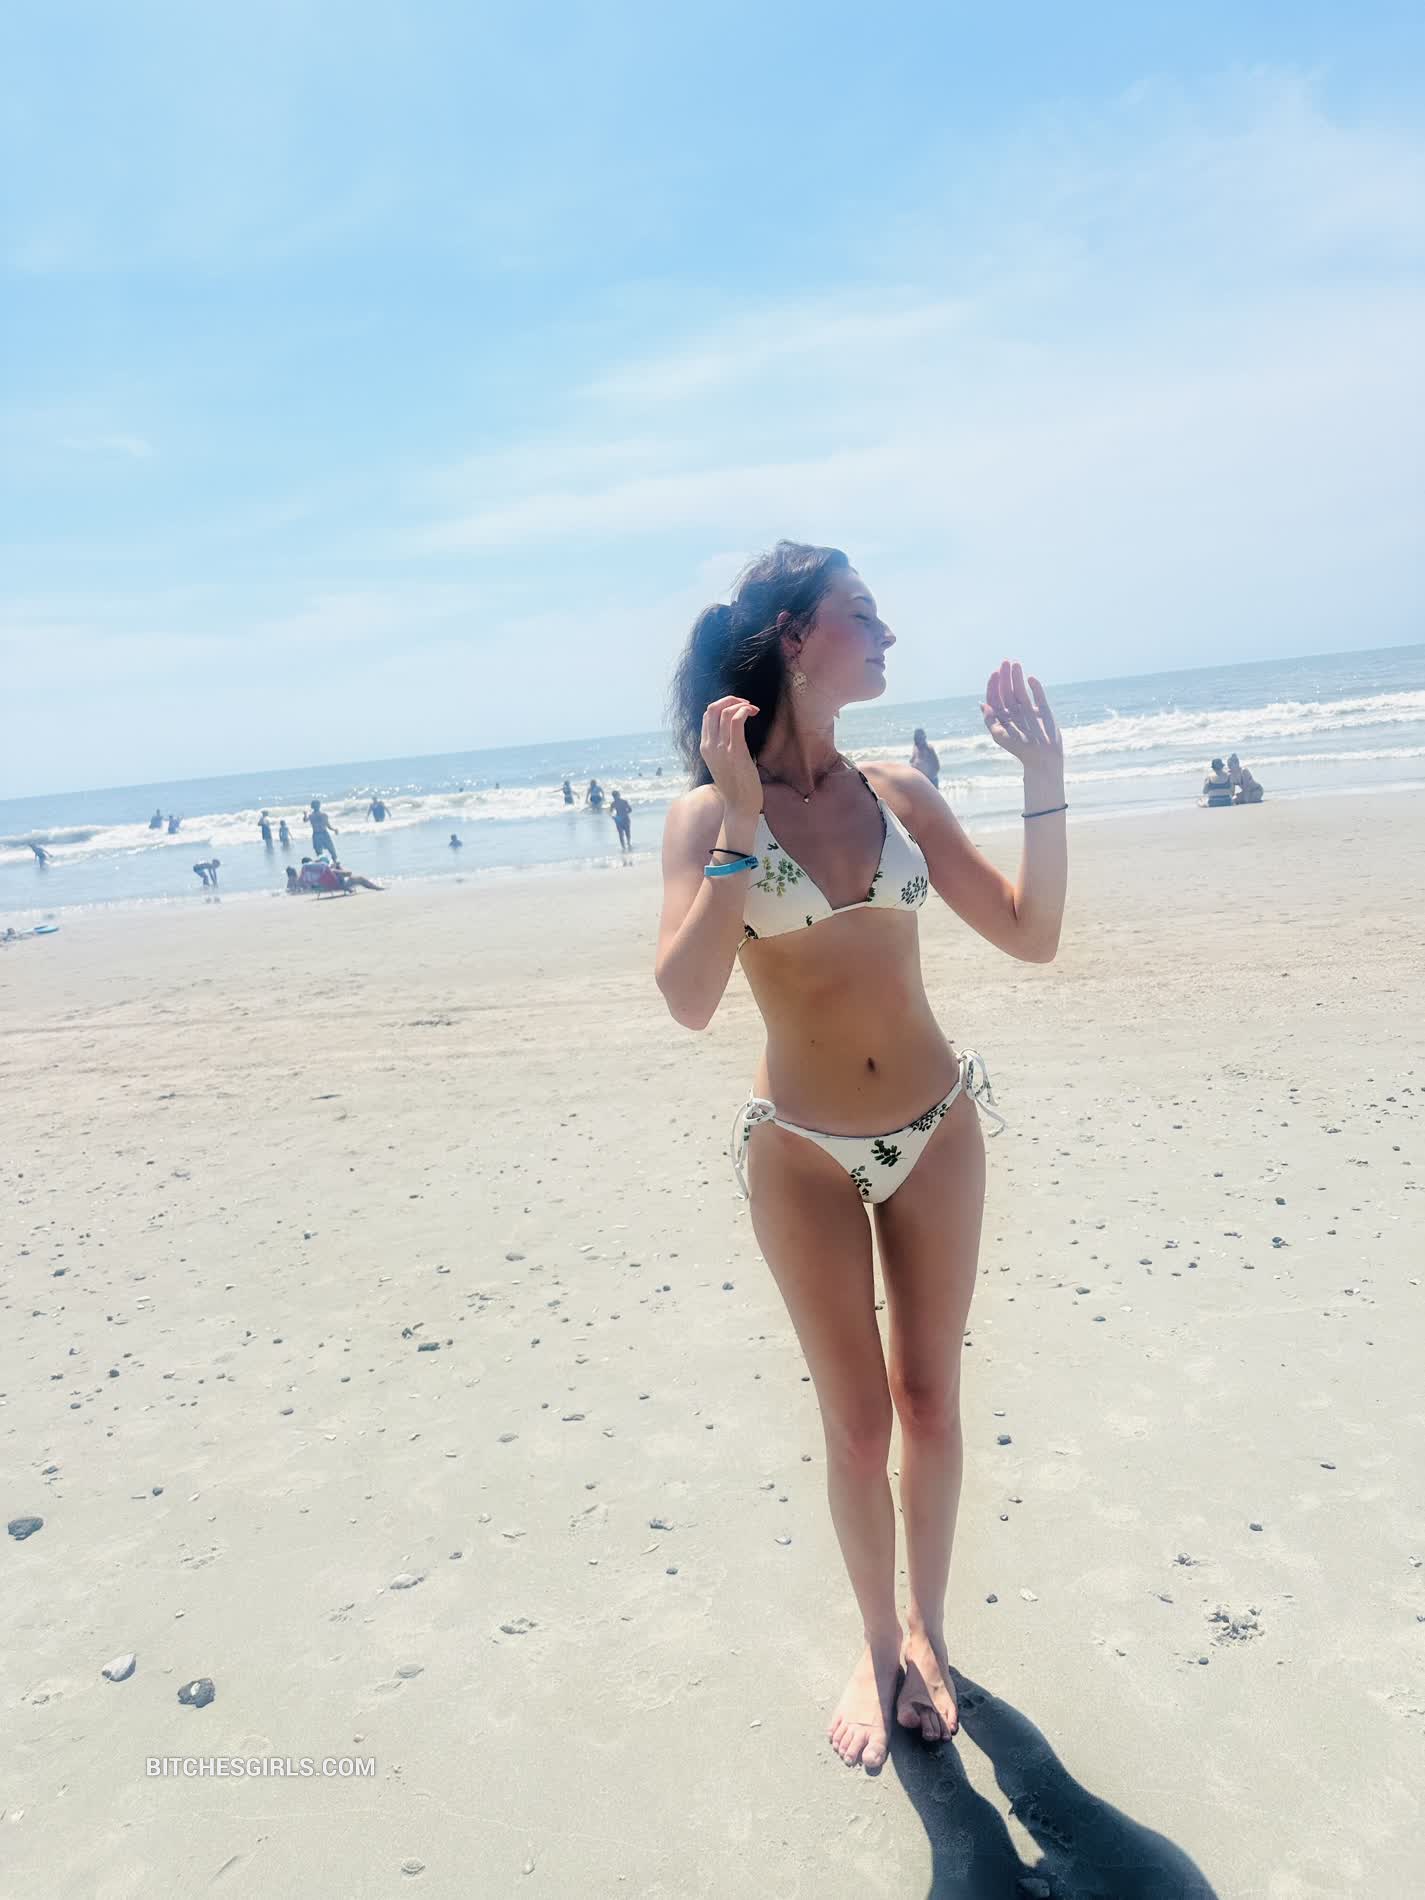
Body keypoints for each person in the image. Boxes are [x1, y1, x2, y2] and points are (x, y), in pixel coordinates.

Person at [655, 542, 1066, 1773]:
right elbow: (687, 999)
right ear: (795, 638)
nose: (887, 635)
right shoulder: (705, 818)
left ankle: (928, 1634)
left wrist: (1044, 781)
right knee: (855, 1426)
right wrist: (740, 822)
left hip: (936, 1126)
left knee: (930, 1401)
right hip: (799, 1151)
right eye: (863, 614)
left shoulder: (899, 794)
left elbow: (1031, 934)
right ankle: (874, 1643)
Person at [610, 790, 633, 854]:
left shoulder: (613, 803)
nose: (615, 797)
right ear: (618, 795)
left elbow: (611, 813)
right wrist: (624, 813)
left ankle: (624, 846)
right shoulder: (623, 802)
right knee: (626, 833)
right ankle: (627, 845)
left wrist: (615, 818)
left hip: (620, 820)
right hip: (624, 819)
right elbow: (630, 810)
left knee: (622, 834)